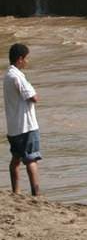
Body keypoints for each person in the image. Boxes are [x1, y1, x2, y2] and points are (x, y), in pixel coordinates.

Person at [4, 43, 40, 196]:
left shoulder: (8, 75)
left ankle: (16, 191)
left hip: (13, 127)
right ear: (20, 59)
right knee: (31, 159)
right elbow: (34, 97)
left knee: (16, 158)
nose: (27, 61)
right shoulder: (17, 76)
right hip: (26, 125)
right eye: (26, 58)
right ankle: (36, 192)